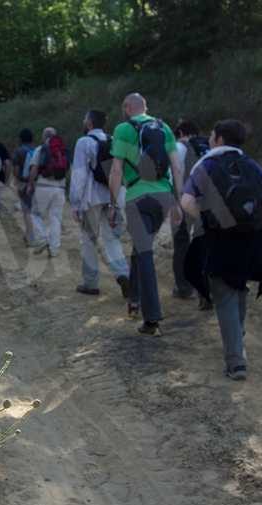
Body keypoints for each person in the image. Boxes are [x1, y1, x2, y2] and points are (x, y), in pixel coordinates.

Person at [181, 119, 262, 380]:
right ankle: (238, 336)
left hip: (220, 240)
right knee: (239, 286)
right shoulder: (252, 165)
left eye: (212, 136)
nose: (210, 140)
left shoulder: (207, 165)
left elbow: (187, 201)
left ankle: (236, 362)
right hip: (252, 238)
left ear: (220, 139)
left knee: (224, 295)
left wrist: (210, 218)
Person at [108, 93, 185, 336]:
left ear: (128, 107)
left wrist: (112, 204)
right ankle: (134, 299)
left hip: (137, 197)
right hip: (163, 196)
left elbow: (116, 170)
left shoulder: (123, 129)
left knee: (144, 254)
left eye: (123, 107)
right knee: (140, 249)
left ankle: (151, 320)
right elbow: (177, 166)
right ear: (146, 108)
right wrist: (178, 202)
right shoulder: (163, 127)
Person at [70, 110, 130, 297]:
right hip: (114, 196)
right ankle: (123, 275)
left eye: (84, 119)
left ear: (89, 124)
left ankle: (91, 283)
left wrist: (75, 203)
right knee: (112, 238)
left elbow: (79, 174)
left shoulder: (84, 142)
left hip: (92, 198)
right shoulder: (113, 140)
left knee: (89, 240)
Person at [173, 120, 212, 309]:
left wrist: (176, 201)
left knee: (182, 241)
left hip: (188, 198)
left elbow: (176, 173)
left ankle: (184, 287)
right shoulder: (209, 146)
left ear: (180, 132)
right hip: (212, 200)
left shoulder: (179, 147)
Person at [27, 127, 68, 258]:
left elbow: (34, 168)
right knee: (55, 218)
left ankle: (42, 239)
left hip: (43, 185)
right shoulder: (63, 150)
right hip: (60, 187)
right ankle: (54, 248)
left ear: (44, 137)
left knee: (35, 214)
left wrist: (30, 184)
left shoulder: (40, 149)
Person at [12, 128, 40, 247]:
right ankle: (29, 234)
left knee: (26, 210)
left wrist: (17, 180)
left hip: (24, 182)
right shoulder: (37, 150)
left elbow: (16, 169)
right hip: (38, 183)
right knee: (35, 210)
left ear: (20, 139)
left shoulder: (19, 151)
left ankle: (32, 238)